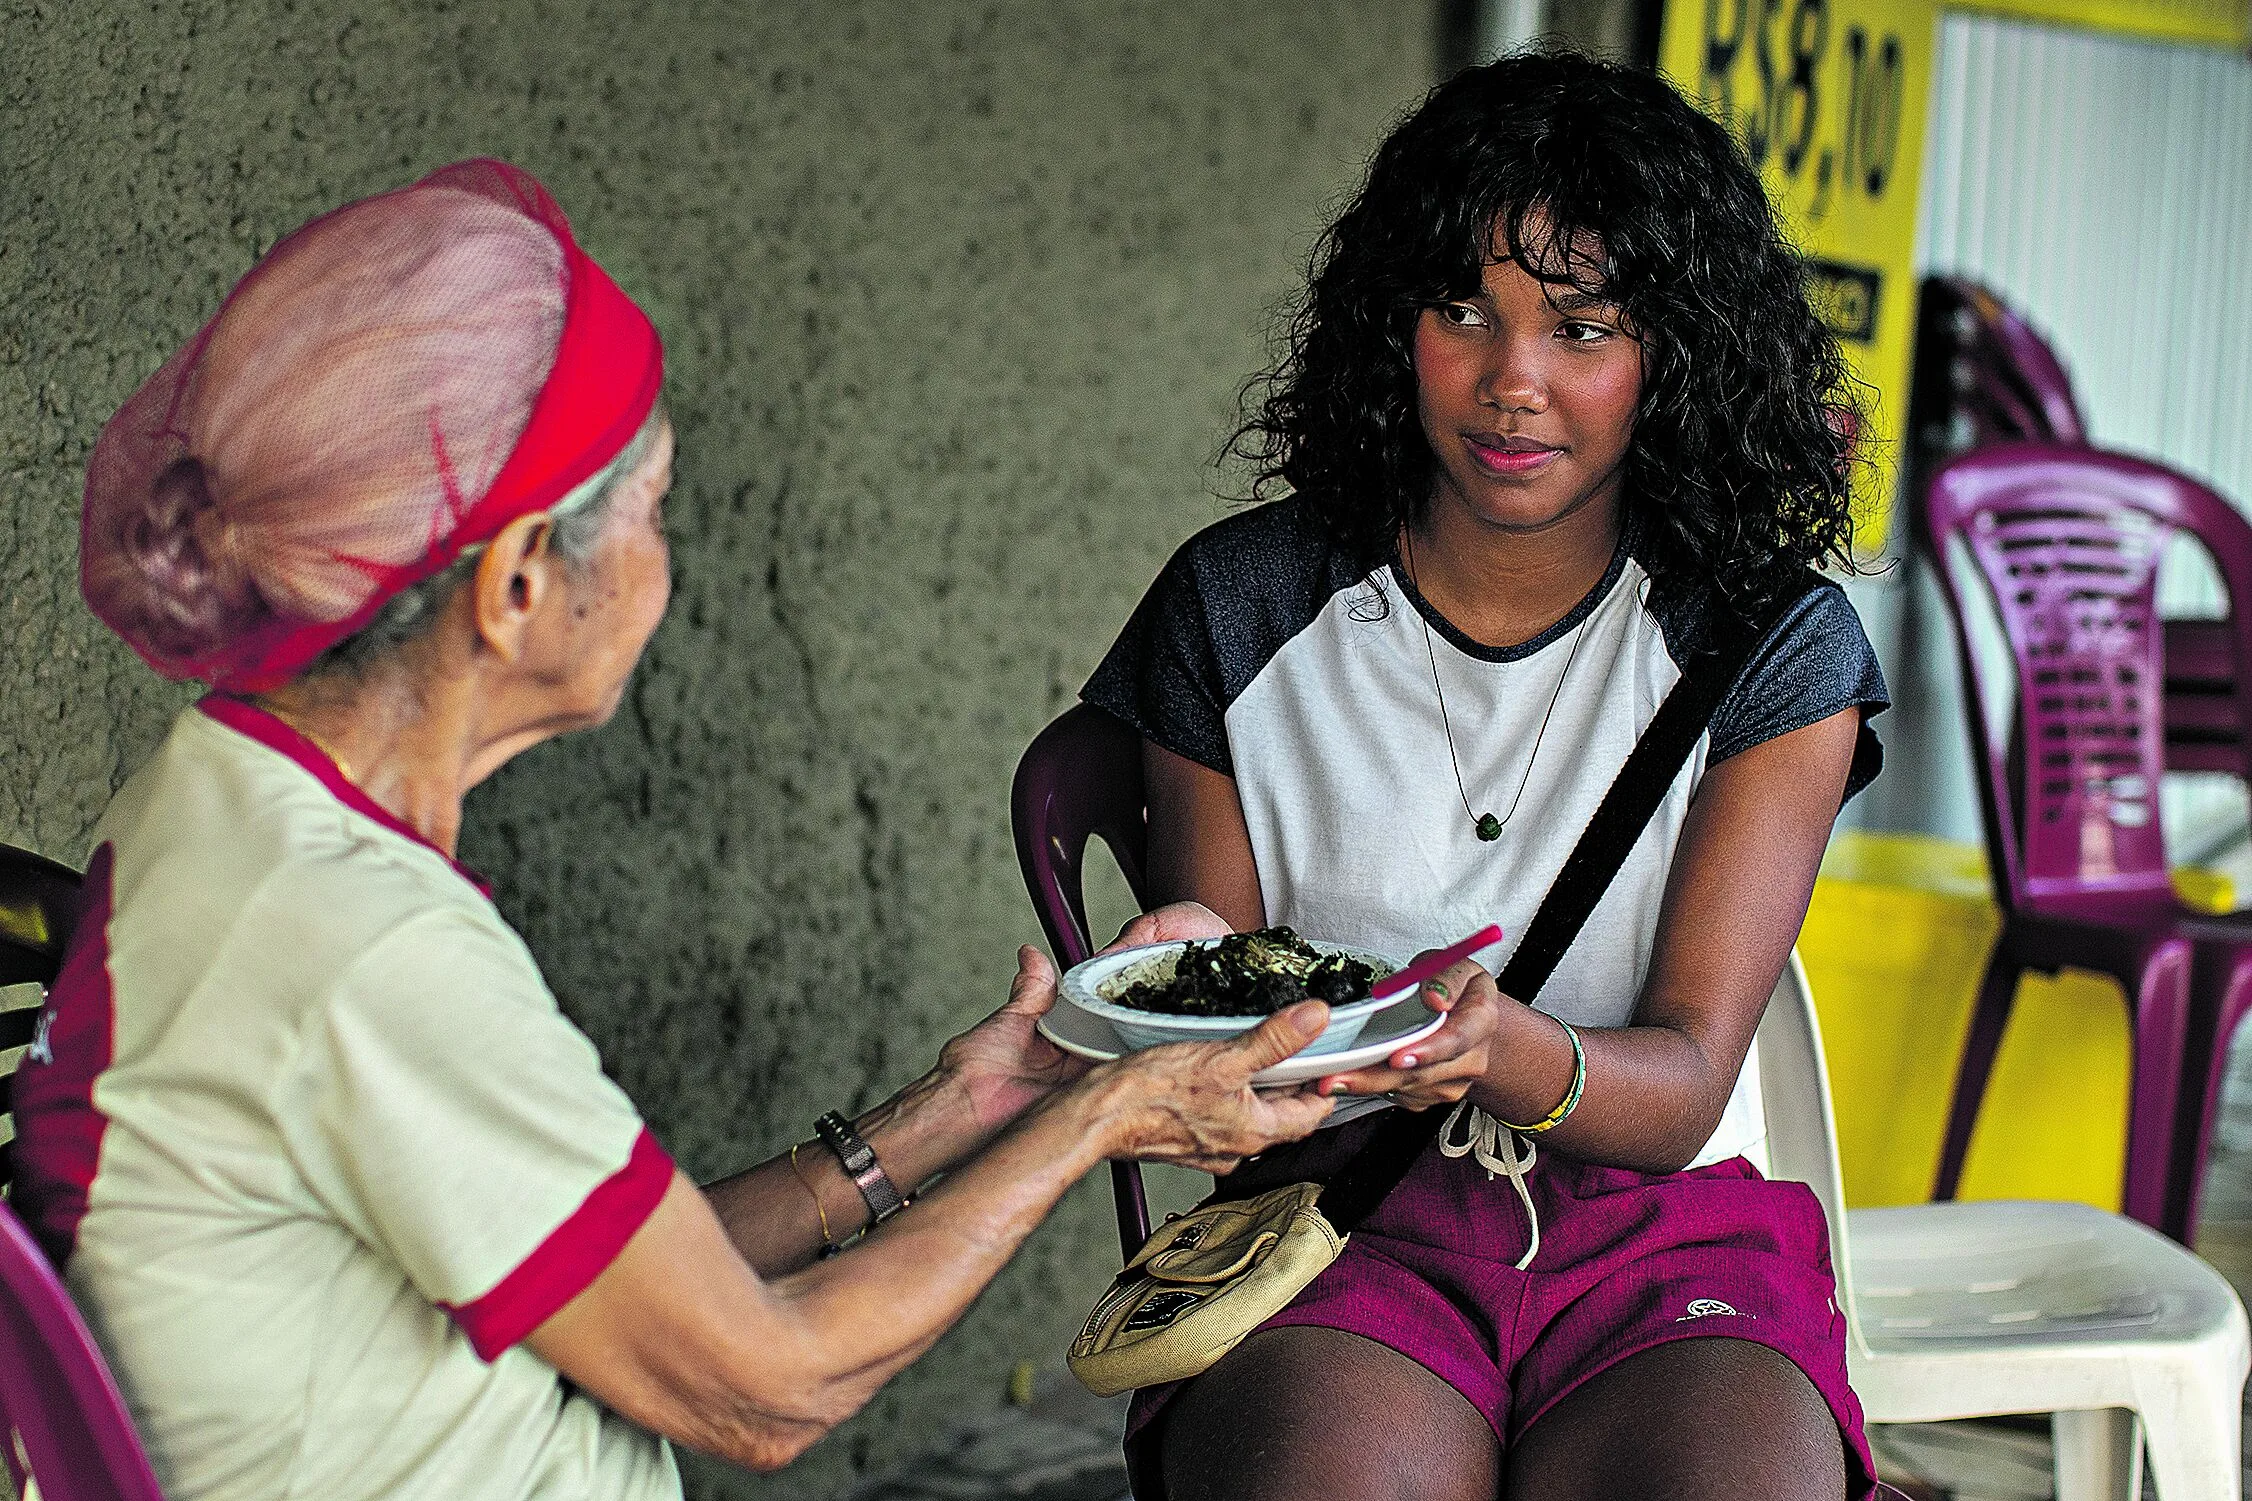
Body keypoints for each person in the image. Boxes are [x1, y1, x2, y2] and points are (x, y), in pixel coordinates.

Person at [13, 159, 1337, 1501]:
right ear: (524, 583)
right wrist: (1106, 1118)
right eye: (651, 511)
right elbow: (764, 1386)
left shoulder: (228, 795)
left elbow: (626, 1272)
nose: (665, 561)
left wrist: (980, 1103)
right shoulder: (360, 948)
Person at [1083, 53, 1891, 1501]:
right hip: (1342, 1216)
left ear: (1676, 359)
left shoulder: (1767, 644)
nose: (1512, 383)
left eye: (1583, 328)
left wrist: (1494, 1049)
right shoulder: (1241, 609)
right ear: (1396, 325)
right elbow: (1234, 1034)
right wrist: (1189, 981)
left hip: (1665, 1230)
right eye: (1465, 310)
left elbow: (1688, 1082)